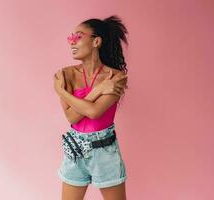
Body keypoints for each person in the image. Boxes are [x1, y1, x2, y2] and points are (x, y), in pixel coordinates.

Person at [53, 15, 129, 200]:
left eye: (78, 36)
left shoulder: (116, 77)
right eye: (70, 37)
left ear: (96, 41)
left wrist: (60, 91)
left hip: (105, 150)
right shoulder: (66, 74)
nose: (71, 42)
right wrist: (99, 90)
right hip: (74, 149)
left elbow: (94, 112)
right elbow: (71, 118)